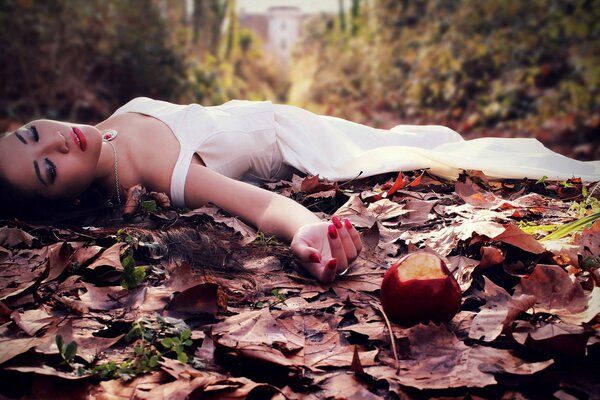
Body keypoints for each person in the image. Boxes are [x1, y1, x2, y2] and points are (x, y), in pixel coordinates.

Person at [1, 97, 599, 282]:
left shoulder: (97, 132)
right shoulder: (156, 173)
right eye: (47, 169)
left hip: (264, 109)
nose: (56, 143)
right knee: (425, 153)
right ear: (68, 200)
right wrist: (306, 230)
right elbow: (261, 202)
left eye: (32, 134)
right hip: (289, 138)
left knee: (415, 140)